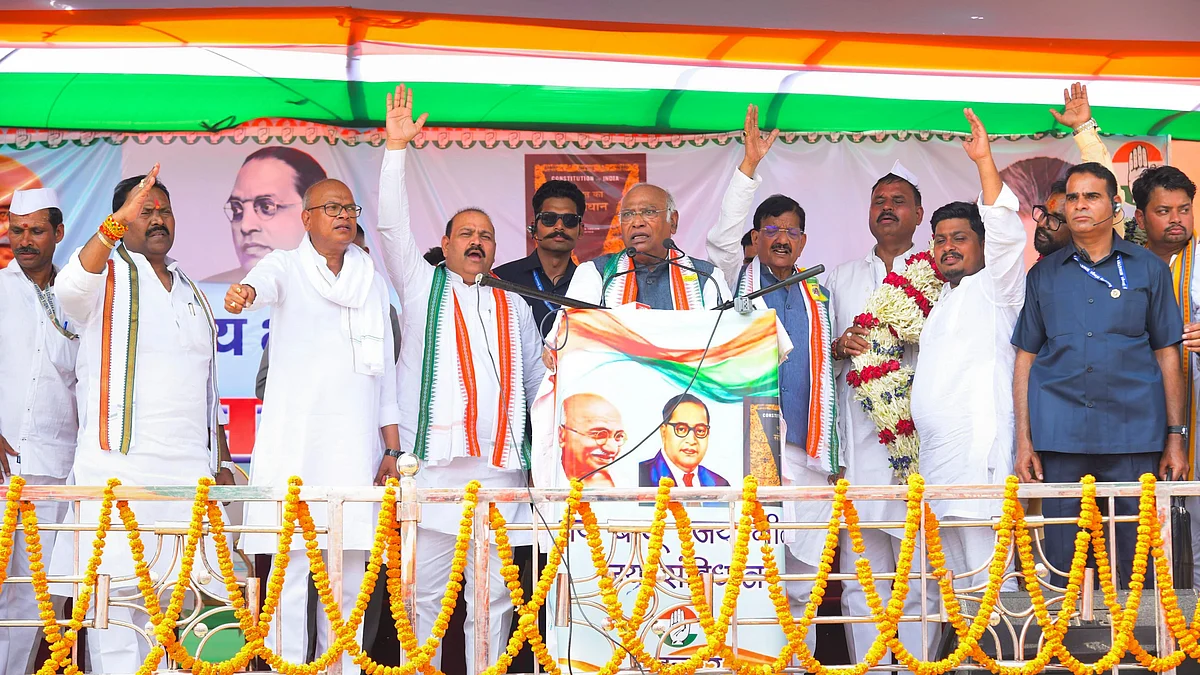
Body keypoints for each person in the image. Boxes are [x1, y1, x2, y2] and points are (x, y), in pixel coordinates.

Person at [376, 84, 546, 673]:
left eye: (486, 236)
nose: (476, 242)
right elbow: (392, 226)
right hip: (433, 471)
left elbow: (536, 378)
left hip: (500, 471)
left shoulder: (515, 304)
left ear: (496, 250)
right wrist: (396, 150)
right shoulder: (421, 286)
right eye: (465, 234)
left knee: (494, 601)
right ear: (445, 245)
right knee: (418, 601)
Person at [52, 168, 236, 670]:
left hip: (190, 479)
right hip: (118, 475)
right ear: (120, 218)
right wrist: (111, 228)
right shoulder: (101, 275)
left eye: (163, 210)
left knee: (194, 618)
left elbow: (206, 386)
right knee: (115, 616)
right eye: (143, 210)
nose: (156, 219)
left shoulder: (193, 289)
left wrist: (218, 459)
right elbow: (68, 291)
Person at [226, 177, 401, 670]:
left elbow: (384, 375)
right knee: (288, 576)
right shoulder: (285, 265)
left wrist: (390, 451)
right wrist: (244, 293)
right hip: (297, 454)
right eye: (331, 207)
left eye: (350, 207)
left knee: (347, 583)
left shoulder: (371, 278)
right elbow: (261, 285)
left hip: (354, 453)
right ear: (306, 219)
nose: (345, 215)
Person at [1012, 161, 1187, 587]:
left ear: (1115, 205)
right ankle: (1060, 654)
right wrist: (1024, 441)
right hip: (1061, 437)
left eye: (1091, 196)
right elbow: (1025, 359)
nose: (1080, 205)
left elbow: (1168, 354)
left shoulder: (1149, 269)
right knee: (1061, 562)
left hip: (1133, 434)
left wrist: (1175, 438)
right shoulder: (1043, 275)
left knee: (1135, 562)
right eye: (1072, 197)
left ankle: (1137, 652)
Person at [704, 104, 839, 651]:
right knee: (752, 574)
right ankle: (752, 659)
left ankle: (795, 661)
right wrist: (748, 168)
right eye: (772, 229)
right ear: (756, 238)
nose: (782, 238)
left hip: (807, 448)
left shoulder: (820, 294)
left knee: (805, 578)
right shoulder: (731, 281)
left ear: (804, 241)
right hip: (752, 445)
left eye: (792, 232)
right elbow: (721, 236)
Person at [826, 159, 938, 665]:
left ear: (918, 214)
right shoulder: (840, 277)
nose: (887, 208)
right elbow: (819, 358)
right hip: (861, 444)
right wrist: (837, 346)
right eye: (879, 201)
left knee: (921, 577)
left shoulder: (942, 274)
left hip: (924, 446)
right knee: (861, 580)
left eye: (898, 201)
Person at [910, 109, 1025, 590]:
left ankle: (1002, 665)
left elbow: (1006, 235)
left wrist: (984, 163)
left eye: (960, 238)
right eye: (939, 241)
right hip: (941, 468)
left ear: (981, 244)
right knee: (957, 589)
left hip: (980, 469)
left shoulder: (997, 288)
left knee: (991, 587)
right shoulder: (944, 298)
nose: (947, 248)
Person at [0, 188, 79, 675]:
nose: (24, 240)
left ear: (58, 234)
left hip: (54, 467)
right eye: (16, 230)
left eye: (36, 230)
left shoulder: (79, 296)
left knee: (31, 601)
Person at [1135, 166, 1198, 586]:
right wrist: (1085, 131)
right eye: (1163, 210)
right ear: (1140, 219)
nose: (1177, 218)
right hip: (1137, 415)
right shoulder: (1124, 263)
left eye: (1185, 209)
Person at [254, 224, 401, 399]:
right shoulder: (296, 302)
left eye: (350, 253)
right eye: (333, 254)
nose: (341, 261)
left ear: (365, 254)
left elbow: (384, 384)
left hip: (357, 418)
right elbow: (264, 385)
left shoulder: (381, 308)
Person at [563, 181, 730, 309]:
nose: (637, 222)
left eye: (649, 212)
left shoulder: (707, 277)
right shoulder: (597, 274)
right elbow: (569, 337)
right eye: (628, 214)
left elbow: (727, 343)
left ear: (673, 221)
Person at [206, 146, 327, 282]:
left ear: (312, 215)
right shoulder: (208, 292)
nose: (245, 226)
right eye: (236, 209)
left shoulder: (343, 288)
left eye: (266, 206)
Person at [494, 180, 585, 336]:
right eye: (549, 218)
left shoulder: (590, 285)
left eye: (569, 220)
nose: (559, 227)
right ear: (534, 227)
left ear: (581, 230)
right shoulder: (501, 279)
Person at [639, 393, 729, 487]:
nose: (691, 440)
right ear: (663, 432)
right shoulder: (640, 477)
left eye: (700, 431)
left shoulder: (719, 484)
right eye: (681, 429)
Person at [559, 393, 626, 487]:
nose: (612, 449)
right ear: (562, 435)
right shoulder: (550, 481)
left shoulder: (626, 484)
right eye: (599, 434)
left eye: (618, 436)